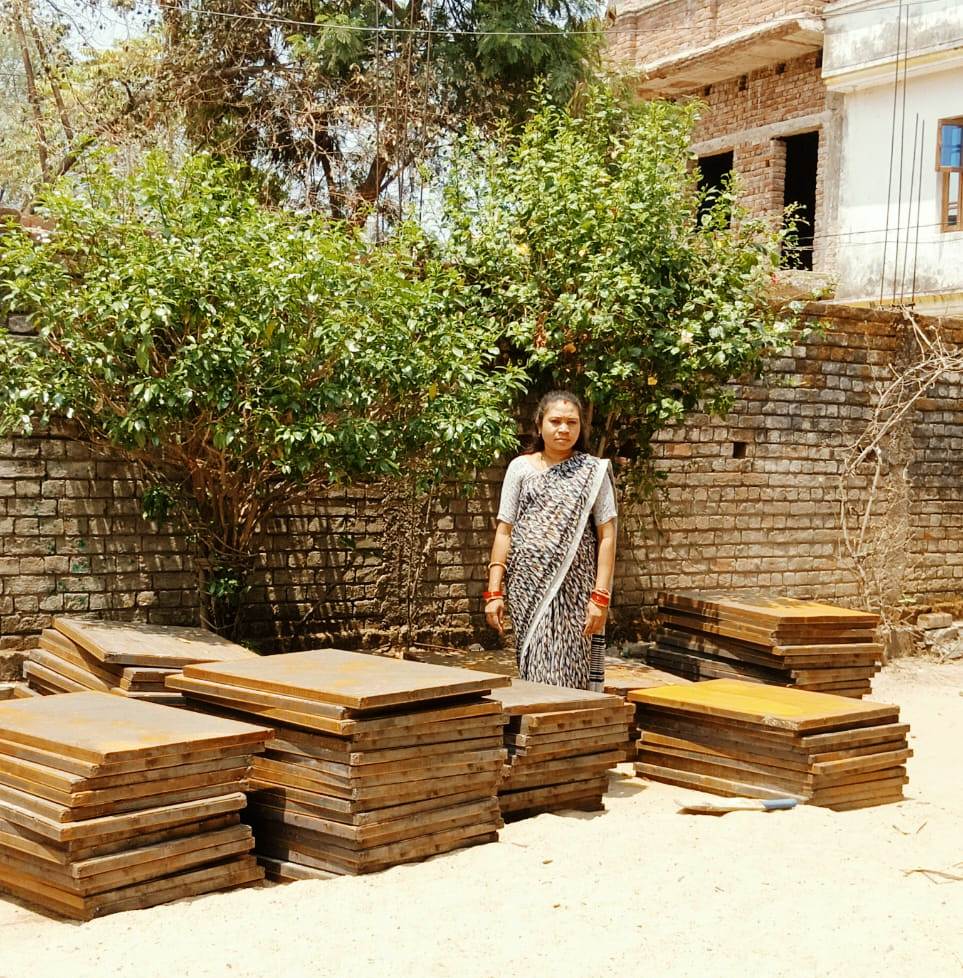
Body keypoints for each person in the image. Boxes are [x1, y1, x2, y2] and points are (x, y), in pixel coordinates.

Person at [485, 391, 617, 691]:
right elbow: (504, 530)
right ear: (539, 424)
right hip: (527, 589)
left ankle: (571, 718)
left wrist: (600, 597)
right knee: (534, 665)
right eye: (555, 421)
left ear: (581, 427)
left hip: (576, 591)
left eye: (572, 422)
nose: (563, 429)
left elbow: (607, 535)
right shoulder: (520, 468)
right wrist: (494, 592)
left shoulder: (592, 471)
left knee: (571, 666)